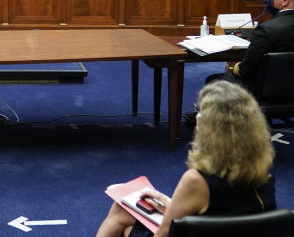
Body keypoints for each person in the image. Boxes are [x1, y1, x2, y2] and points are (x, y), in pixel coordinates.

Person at [96, 80, 276, 237]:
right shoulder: (263, 175)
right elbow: (224, 213)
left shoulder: (197, 181)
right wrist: (169, 206)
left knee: (121, 213)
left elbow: (162, 235)